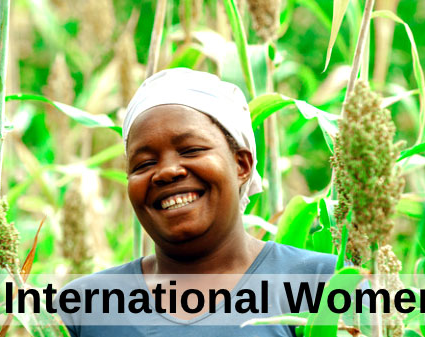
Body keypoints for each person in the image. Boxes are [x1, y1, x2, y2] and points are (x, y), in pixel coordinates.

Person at [56, 68, 340, 337]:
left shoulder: (324, 283)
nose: (167, 171)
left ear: (241, 165)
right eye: (144, 163)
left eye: (191, 150)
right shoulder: (82, 309)